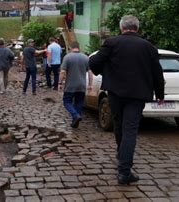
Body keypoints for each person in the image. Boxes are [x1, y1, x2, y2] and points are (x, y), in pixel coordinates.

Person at [89, 15, 164, 185]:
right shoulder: (149, 47)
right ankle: (124, 168)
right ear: (137, 28)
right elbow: (157, 74)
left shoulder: (112, 42)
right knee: (130, 129)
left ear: (121, 27)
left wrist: (104, 72)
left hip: (115, 92)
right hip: (138, 95)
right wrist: (160, 95)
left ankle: (122, 159)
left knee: (119, 126)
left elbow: (93, 62)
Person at [59, 41, 93, 128]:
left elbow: (63, 71)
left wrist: (60, 83)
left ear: (70, 47)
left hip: (70, 85)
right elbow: (90, 72)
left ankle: (75, 115)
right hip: (82, 85)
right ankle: (75, 122)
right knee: (79, 103)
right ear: (79, 47)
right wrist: (90, 84)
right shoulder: (86, 58)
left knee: (66, 101)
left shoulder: (67, 57)